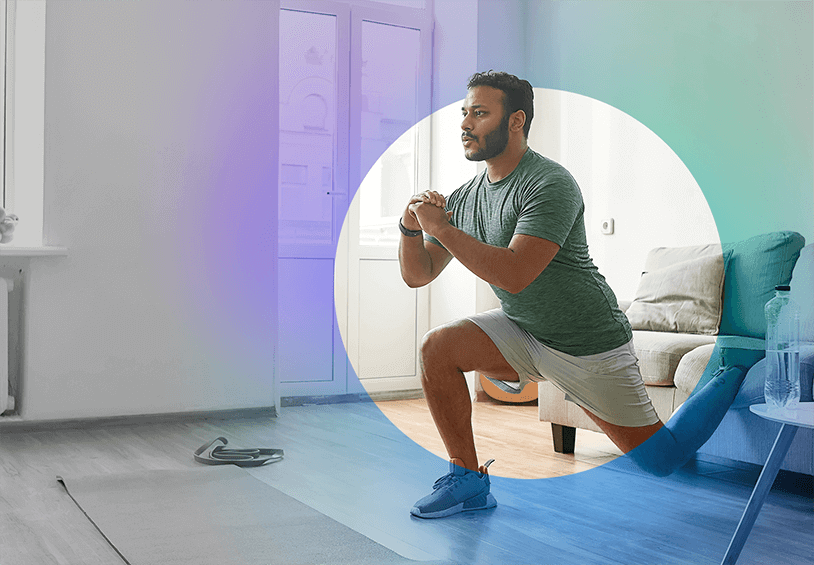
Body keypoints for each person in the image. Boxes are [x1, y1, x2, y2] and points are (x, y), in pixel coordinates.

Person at [397, 71, 749, 519]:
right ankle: (467, 480)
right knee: (437, 348)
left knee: (664, 459)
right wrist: (410, 228)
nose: (466, 124)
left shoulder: (550, 183)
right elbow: (418, 274)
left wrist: (441, 227)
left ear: (515, 121)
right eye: (464, 112)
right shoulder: (467, 197)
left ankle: (733, 366)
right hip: (525, 330)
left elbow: (516, 274)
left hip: (589, 342)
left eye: (480, 113)